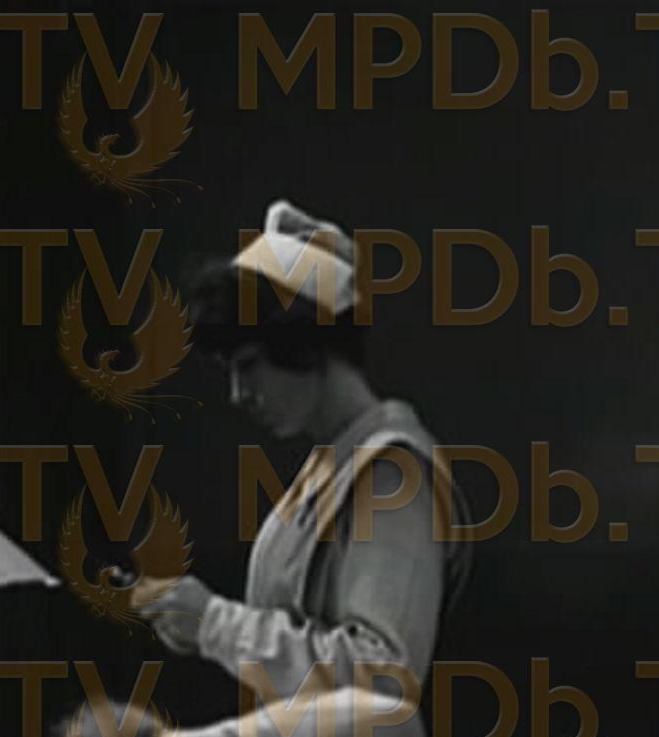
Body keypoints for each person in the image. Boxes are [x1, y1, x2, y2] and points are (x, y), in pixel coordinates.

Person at [134, 199, 469, 708]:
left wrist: (215, 624)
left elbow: (382, 679)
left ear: (306, 345)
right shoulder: (334, 466)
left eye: (249, 365)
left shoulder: (391, 472)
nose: (238, 394)